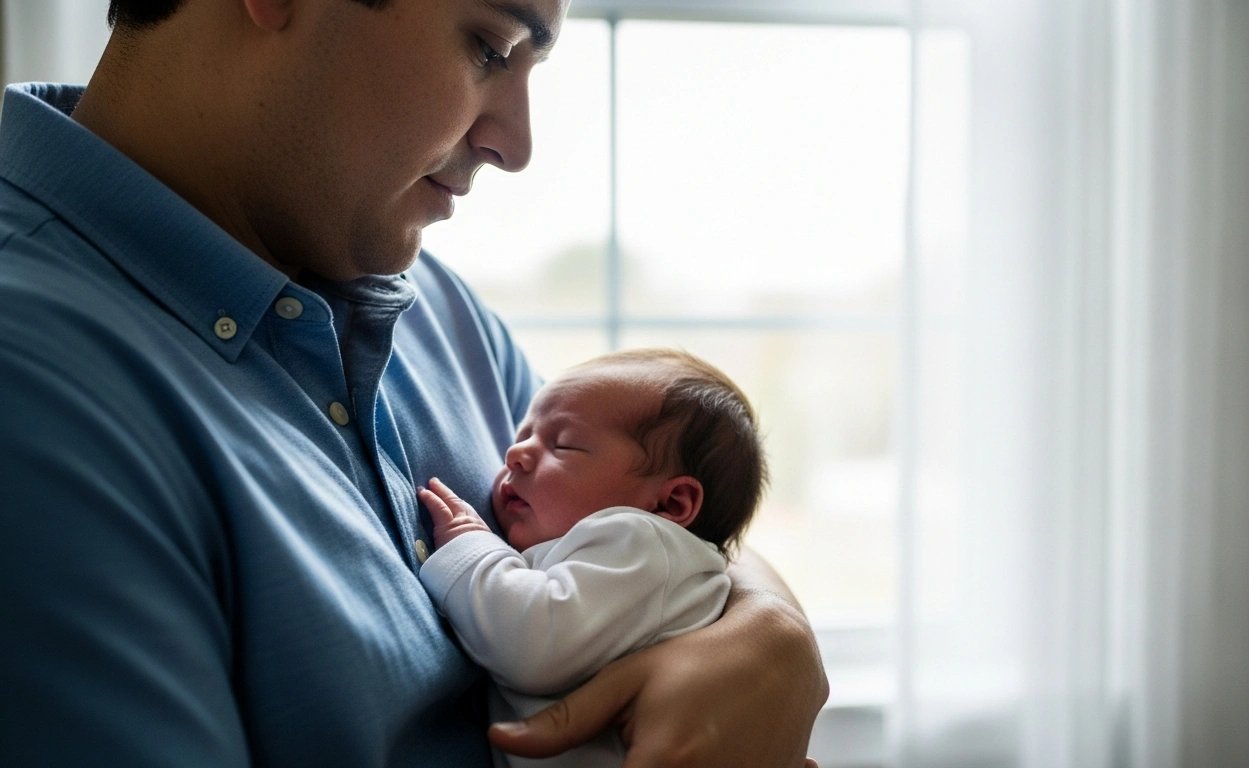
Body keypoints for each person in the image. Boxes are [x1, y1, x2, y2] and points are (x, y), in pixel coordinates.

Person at [0, 0, 827, 765]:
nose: (518, 143)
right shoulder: (35, 395)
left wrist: (769, 635)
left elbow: (652, 501)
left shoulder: (435, 308)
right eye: (489, 47)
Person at [416, 348, 767, 767]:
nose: (516, 454)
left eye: (563, 445)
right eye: (521, 435)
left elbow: (534, 643)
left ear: (671, 503)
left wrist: (469, 543)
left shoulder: (644, 543)